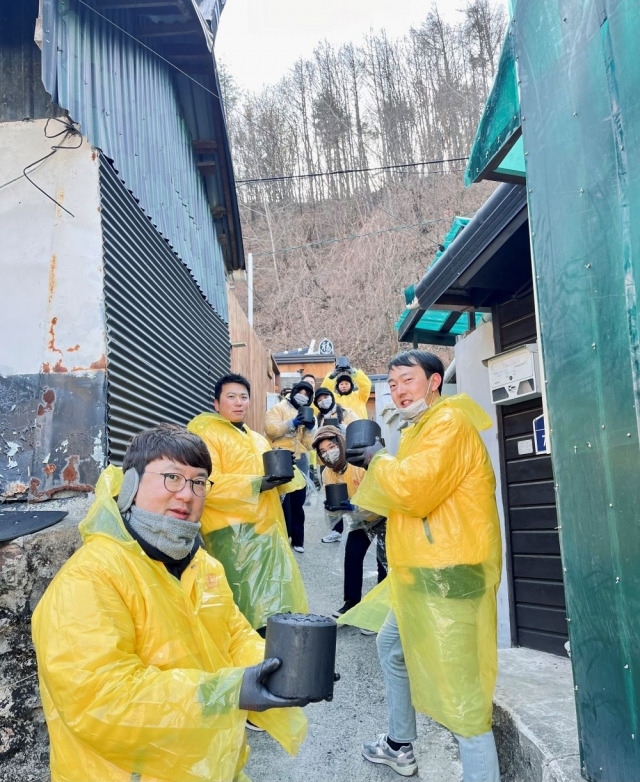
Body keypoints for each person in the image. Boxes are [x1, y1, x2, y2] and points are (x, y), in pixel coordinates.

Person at [31, 424, 308, 782]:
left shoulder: (202, 566)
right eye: (173, 478)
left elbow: (234, 636)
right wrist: (225, 693)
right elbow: (101, 699)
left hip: (208, 765)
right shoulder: (89, 577)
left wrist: (281, 671)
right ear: (130, 485)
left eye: (198, 482)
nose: (187, 495)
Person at [344, 350, 502, 781]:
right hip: (422, 572)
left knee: (463, 699)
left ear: (434, 381)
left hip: (448, 574)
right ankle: (399, 744)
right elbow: (404, 491)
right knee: (391, 646)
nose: (398, 390)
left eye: (408, 380)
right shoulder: (421, 427)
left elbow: (413, 489)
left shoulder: (448, 423)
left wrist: (378, 458)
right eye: (392, 384)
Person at [187, 374, 308, 634]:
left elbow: (276, 482)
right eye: (231, 397)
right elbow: (207, 483)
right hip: (232, 535)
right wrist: (257, 484)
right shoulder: (206, 433)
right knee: (244, 606)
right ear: (216, 403)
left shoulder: (257, 439)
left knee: (277, 603)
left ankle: (279, 657)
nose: (238, 402)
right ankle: (250, 666)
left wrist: (285, 473)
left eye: (243, 397)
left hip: (268, 531)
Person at [312, 425, 387, 626]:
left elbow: (379, 498)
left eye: (331, 446)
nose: (328, 453)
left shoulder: (360, 463)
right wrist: (332, 508)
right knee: (352, 558)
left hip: (384, 518)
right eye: (323, 451)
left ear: (341, 443)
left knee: (385, 565)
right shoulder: (328, 473)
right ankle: (351, 604)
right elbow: (333, 514)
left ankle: (382, 612)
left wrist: (355, 507)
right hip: (360, 522)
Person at [264, 380, 316, 553]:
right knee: (281, 500)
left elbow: (309, 445)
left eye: (307, 394)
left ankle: (298, 539)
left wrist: (309, 430)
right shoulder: (279, 408)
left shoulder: (308, 412)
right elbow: (270, 429)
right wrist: (291, 423)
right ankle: (282, 538)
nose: (303, 395)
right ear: (293, 392)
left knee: (298, 501)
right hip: (279, 457)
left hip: (299, 458)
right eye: (300, 391)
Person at [321, 356, 371, 420]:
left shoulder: (360, 396)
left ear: (351, 385)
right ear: (337, 386)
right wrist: (332, 376)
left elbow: (366, 385)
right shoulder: (333, 399)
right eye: (341, 384)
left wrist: (354, 373)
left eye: (346, 384)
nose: (344, 386)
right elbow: (324, 392)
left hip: (359, 427)